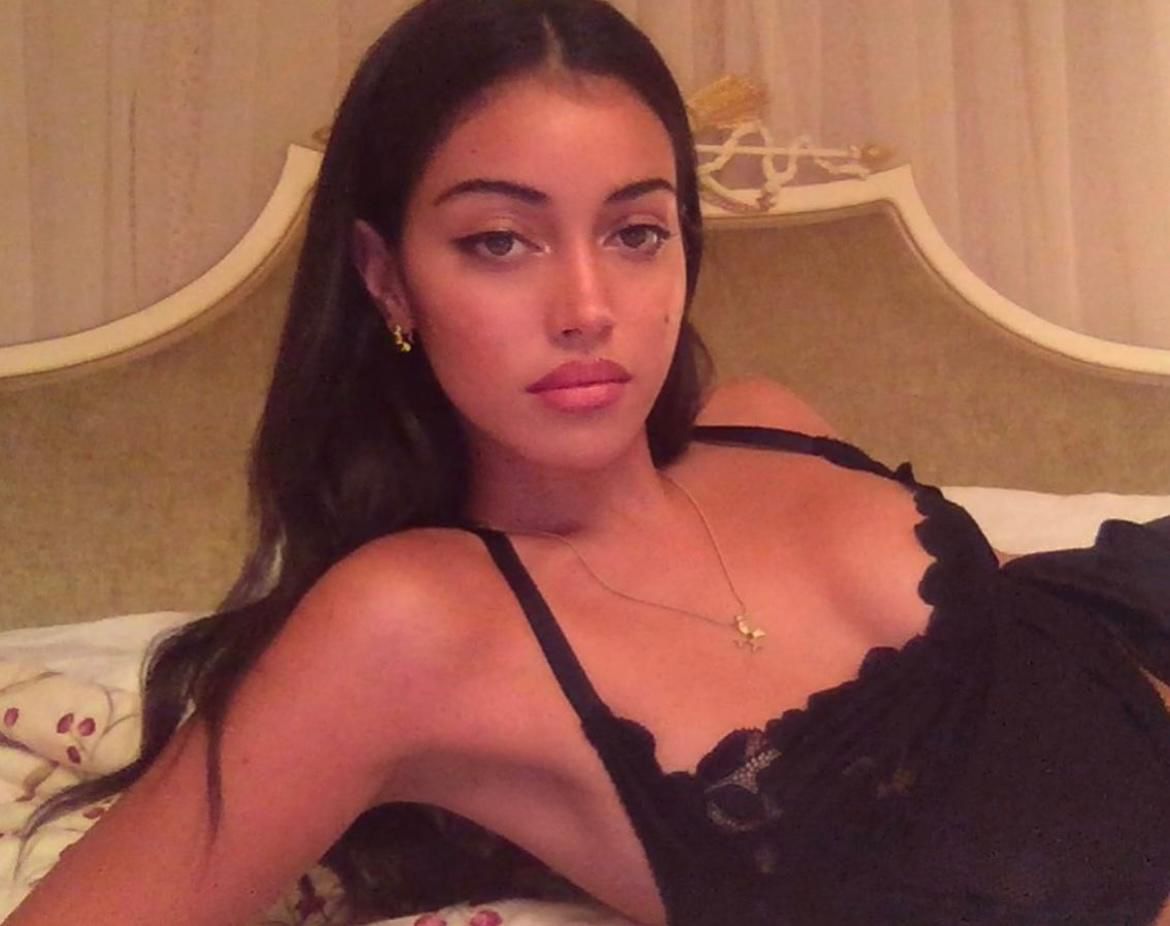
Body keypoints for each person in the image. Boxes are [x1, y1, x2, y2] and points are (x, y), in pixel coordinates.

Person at [10, 0, 1170, 924]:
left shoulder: (769, 421)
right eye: (499, 240)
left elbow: (1041, 656)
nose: (587, 306)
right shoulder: (402, 624)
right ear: (387, 277)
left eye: (635, 231)